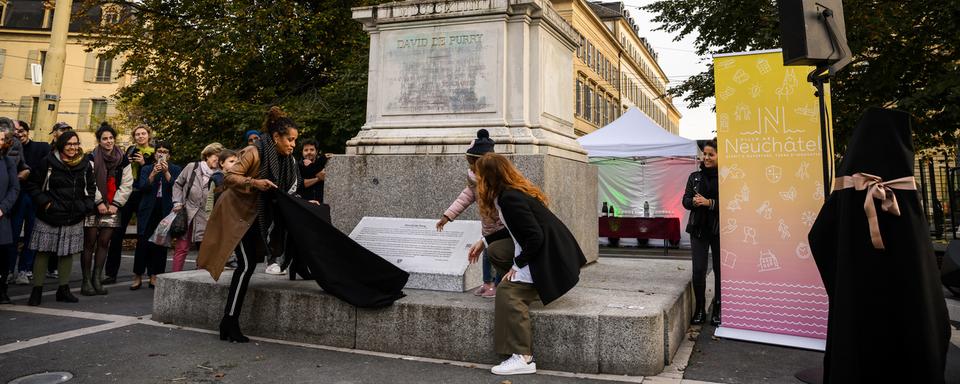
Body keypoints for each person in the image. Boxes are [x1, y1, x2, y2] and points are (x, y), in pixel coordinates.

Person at [471, 153, 585, 376]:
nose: (475, 179)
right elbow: (514, 228)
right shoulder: (508, 194)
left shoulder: (509, 198)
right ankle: (523, 289)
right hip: (542, 249)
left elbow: (535, 237)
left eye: (478, 175)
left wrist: (517, 266)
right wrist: (484, 241)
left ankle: (523, 357)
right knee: (495, 251)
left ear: (488, 177)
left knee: (508, 292)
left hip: (547, 255)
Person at [199, 106, 303, 342]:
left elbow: (286, 189)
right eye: (290, 139)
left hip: (255, 216)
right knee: (245, 266)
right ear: (277, 137)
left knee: (248, 264)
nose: (293, 145)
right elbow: (229, 176)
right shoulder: (254, 152)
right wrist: (255, 183)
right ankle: (229, 321)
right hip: (236, 214)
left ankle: (229, 321)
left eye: (295, 140)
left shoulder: (285, 159)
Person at [25, 131, 96, 306]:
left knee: (67, 253)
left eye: (75, 143)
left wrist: (84, 207)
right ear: (61, 145)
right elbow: (32, 185)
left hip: (73, 215)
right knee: (43, 252)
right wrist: (46, 204)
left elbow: (91, 189)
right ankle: (37, 290)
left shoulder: (85, 164)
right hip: (49, 215)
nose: (73, 147)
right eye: (69, 144)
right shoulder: (48, 162)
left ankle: (63, 290)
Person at [437, 129, 508, 298]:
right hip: (488, 226)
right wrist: (447, 216)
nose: (471, 166)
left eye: (472, 162)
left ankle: (498, 285)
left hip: (502, 227)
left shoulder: (497, 181)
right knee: (486, 255)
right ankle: (487, 283)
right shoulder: (473, 179)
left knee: (496, 254)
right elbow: (464, 198)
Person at [80, 123, 133, 296]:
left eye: (111, 138)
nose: (108, 141)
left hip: (113, 206)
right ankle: (86, 281)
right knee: (89, 243)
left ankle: (97, 278)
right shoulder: (91, 157)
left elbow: (127, 184)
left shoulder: (122, 158)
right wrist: (99, 203)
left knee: (104, 243)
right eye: (105, 139)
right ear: (99, 140)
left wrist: (115, 204)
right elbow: (88, 182)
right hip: (94, 206)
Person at [104, 125, 155, 284]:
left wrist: (143, 163)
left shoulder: (154, 153)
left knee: (143, 235)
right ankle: (111, 273)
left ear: (149, 136)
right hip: (127, 194)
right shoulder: (128, 151)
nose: (140, 136)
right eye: (137, 134)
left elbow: (152, 175)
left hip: (143, 195)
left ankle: (141, 273)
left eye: (143, 134)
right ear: (134, 137)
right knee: (117, 234)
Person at [131, 140, 180, 290]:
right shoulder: (146, 168)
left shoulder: (175, 169)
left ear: (169, 155)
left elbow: (176, 188)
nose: (161, 154)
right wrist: (153, 173)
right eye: (159, 151)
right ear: (155, 153)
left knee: (160, 244)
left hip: (165, 210)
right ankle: (137, 275)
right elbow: (142, 187)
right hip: (148, 210)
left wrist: (165, 172)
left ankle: (154, 275)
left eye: (165, 152)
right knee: (143, 243)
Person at [682, 140, 720, 326]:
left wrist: (709, 203)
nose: (706, 158)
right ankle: (700, 309)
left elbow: (732, 203)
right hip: (698, 228)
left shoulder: (726, 177)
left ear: (719, 156)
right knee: (698, 270)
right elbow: (685, 200)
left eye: (710, 154)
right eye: (704, 154)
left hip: (720, 229)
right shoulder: (694, 176)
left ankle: (718, 310)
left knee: (721, 271)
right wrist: (694, 203)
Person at [170, 143, 223, 272]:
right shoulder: (192, 167)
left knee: (205, 249)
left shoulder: (221, 174)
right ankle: (175, 277)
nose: (218, 159)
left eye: (220, 157)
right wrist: (177, 202)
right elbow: (178, 184)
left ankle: (200, 277)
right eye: (215, 156)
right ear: (207, 156)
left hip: (207, 216)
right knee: (181, 248)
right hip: (187, 213)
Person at [10, 119, 50, 286]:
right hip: (16, 197)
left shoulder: (41, 147)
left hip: (35, 197)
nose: (19, 134)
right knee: (12, 235)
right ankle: (9, 269)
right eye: (16, 132)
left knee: (32, 236)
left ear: (28, 130)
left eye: (22, 130)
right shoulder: (10, 149)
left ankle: (25, 270)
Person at [0, 127, 20, 304]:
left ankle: (2, 290)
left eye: (1, 139)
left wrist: (3, 208)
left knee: (3, 255)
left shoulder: (8, 162)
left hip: (1, 216)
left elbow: (14, 188)